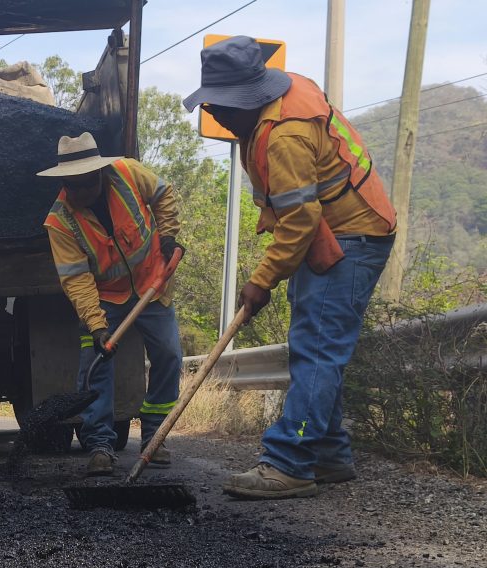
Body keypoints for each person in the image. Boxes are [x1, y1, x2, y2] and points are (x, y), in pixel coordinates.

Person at [183, 36, 396, 499]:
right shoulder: (277, 104)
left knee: (316, 350)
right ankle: (328, 454)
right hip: (332, 233)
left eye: (219, 106)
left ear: (247, 98)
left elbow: (300, 219)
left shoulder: (286, 135)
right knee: (314, 345)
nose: (215, 115)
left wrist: (261, 281)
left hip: (351, 237)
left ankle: (290, 462)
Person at [37, 132, 186, 476]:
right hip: (105, 297)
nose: (79, 193)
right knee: (95, 360)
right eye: (71, 186)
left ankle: (155, 436)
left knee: (169, 354)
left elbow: (164, 194)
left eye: (86, 183)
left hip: (152, 283)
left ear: (100, 174)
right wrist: (97, 325)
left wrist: (167, 236)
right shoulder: (59, 221)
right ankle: (99, 444)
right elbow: (76, 279)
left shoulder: (129, 173)